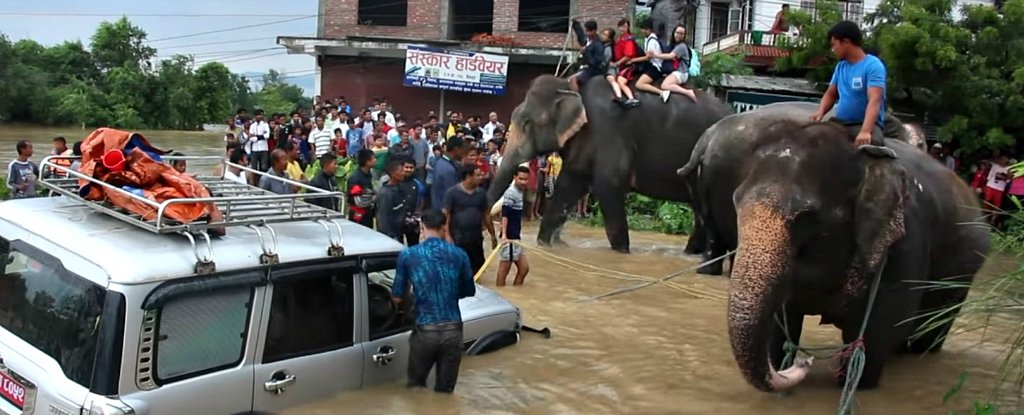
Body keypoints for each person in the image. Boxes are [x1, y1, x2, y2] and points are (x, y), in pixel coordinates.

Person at [390, 209, 474, 394]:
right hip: (453, 330)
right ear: (444, 227)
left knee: (416, 389)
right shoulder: (460, 255)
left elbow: (397, 296)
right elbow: (469, 291)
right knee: (445, 392)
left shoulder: (408, 255)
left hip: (424, 331)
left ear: (422, 227)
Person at [809, 21, 897, 159]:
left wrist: (865, 131)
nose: (833, 50)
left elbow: (875, 100)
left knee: (873, 146)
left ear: (846, 42)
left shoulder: (873, 66)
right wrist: (820, 111)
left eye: (834, 45)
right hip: (841, 123)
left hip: (864, 124)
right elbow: (831, 94)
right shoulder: (841, 67)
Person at [443, 164, 497, 275]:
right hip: (458, 237)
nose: (481, 177)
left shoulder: (481, 194)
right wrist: (447, 236)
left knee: (478, 266)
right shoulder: (452, 193)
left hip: (476, 237)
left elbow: (486, 214)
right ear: (468, 177)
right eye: (477, 175)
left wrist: (492, 235)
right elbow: (446, 215)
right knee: (458, 266)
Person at [496, 166, 531, 286]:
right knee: (504, 269)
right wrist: (504, 234)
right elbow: (505, 214)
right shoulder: (511, 192)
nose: (523, 182)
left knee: (524, 269)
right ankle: (500, 294)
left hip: (516, 237)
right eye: (520, 179)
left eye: (526, 179)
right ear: (515, 177)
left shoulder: (521, 192)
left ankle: (516, 292)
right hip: (510, 238)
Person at [650, 25, 697, 102]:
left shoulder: (682, 46)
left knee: (664, 85)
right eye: (677, 33)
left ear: (684, 36)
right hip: (676, 72)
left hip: (681, 73)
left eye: (681, 34)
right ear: (674, 33)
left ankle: (687, 92)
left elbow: (670, 56)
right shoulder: (674, 45)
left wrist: (655, 55)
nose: (679, 35)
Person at [628, 19, 665, 99]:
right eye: (643, 29)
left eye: (646, 29)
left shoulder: (652, 41)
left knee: (639, 84)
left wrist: (633, 60)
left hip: (655, 68)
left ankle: (661, 92)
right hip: (651, 65)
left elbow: (648, 58)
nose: (643, 31)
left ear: (650, 30)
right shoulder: (647, 39)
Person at [568, 20, 606, 93]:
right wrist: (576, 25)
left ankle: (576, 101)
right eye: (586, 31)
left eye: (589, 31)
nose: (586, 33)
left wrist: (586, 52)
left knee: (572, 80)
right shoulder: (586, 40)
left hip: (593, 70)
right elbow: (580, 34)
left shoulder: (599, 45)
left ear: (594, 31)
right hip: (584, 67)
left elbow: (596, 62)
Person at [611, 19, 642, 108]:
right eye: (621, 26)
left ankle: (631, 98)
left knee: (621, 81)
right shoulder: (619, 39)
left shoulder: (629, 39)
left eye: (624, 26)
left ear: (628, 27)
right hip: (621, 65)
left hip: (629, 65)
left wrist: (617, 63)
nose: (622, 29)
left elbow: (628, 55)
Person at [376, 160, 408, 242]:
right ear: (392, 173)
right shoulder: (385, 194)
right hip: (391, 235)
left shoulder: (400, 188)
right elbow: (383, 219)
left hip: (399, 232)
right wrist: (388, 238)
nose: (403, 173)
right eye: (400, 171)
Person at [347, 149, 377, 228]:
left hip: (368, 212)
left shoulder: (369, 174)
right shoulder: (355, 178)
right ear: (367, 162)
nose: (375, 160)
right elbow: (354, 199)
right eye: (373, 158)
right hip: (358, 214)